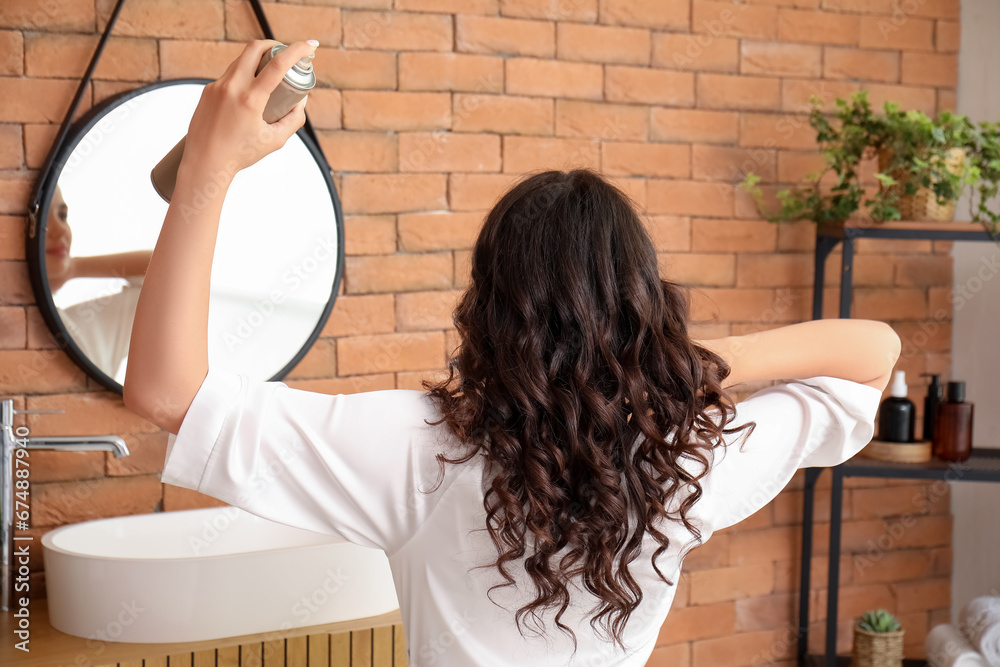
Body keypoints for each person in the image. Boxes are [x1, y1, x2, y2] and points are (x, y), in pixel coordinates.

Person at [123, 40, 901, 667]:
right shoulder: (684, 458)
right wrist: (665, 363)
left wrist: (210, 165)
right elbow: (873, 351)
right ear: (644, 300)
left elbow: (164, 391)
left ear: (488, 303)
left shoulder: (420, 446)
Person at [46, 184, 152, 380]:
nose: (60, 230)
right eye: (42, 219)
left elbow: (168, 268)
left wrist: (73, 268)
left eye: (62, 216)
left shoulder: (87, 327)